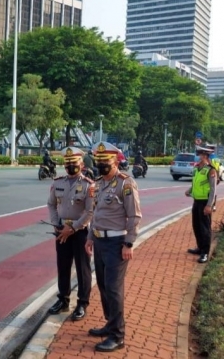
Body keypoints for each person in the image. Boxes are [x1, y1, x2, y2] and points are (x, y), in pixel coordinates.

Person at [85, 141, 142, 353]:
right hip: (99, 241)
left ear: (115, 161)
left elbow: (134, 215)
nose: (101, 165)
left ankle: (118, 336)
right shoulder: (99, 184)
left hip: (117, 244)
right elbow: (96, 213)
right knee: (102, 285)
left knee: (113, 289)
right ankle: (110, 324)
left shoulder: (125, 184)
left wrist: (129, 243)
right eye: (99, 161)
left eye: (106, 161)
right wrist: (90, 236)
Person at [46, 146, 95, 322]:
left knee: (83, 269)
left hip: (80, 231)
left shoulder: (89, 185)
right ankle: (63, 300)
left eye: (74, 164)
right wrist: (55, 224)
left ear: (81, 164)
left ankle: (82, 303)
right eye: (67, 165)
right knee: (63, 266)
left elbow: (90, 212)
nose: (70, 167)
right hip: (61, 230)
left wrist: (73, 228)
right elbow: (51, 204)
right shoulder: (57, 183)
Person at [185, 145, 217, 264]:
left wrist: (209, 205)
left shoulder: (211, 169)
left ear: (205, 156)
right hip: (196, 201)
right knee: (196, 226)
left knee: (205, 229)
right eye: (199, 155)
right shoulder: (197, 168)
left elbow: (213, 189)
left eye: (201, 155)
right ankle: (199, 247)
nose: (199, 157)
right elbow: (196, 183)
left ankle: (205, 253)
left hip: (205, 202)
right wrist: (189, 190)